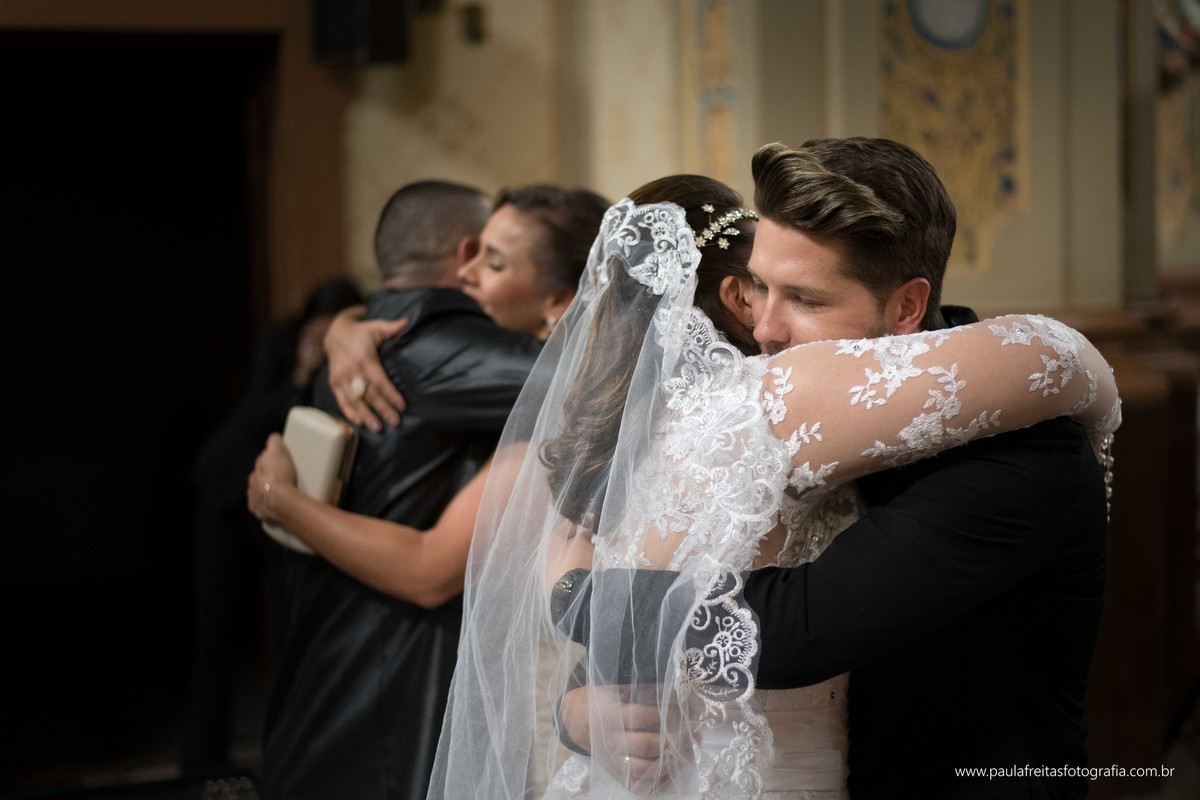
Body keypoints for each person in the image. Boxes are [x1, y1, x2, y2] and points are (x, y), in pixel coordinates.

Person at [417, 157, 1121, 798]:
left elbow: (786, 628)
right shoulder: (767, 426)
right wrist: (583, 709)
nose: (764, 329)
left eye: (806, 300)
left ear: (907, 307)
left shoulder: (1018, 452)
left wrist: (576, 595)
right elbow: (681, 591)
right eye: (759, 288)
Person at [245, 181, 610, 800]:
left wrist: (283, 500)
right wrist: (348, 323)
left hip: (458, 676)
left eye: (494, 263)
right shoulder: (477, 379)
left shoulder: (554, 413)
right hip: (397, 673)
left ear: (559, 299)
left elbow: (426, 569)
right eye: (476, 255)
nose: (468, 273)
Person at [180, 275, 363, 775]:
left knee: (292, 628)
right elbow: (250, 421)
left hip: (290, 501)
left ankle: (286, 759)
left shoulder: (355, 354)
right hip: (226, 494)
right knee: (214, 630)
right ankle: (200, 763)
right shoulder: (280, 344)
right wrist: (303, 372)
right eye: (315, 330)